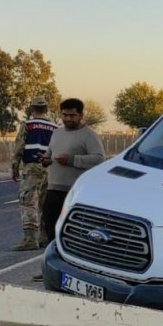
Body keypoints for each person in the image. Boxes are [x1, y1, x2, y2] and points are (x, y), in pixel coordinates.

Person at [40, 99, 106, 244]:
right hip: (53, 188)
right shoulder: (57, 133)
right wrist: (46, 159)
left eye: (72, 115)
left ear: (81, 115)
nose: (68, 119)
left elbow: (99, 159)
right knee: (51, 229)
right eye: (65, 115)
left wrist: (72, 160)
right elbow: (50, 153)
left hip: (75, 193)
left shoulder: (89, 135)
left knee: (73, 235)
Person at [9, 97, 58, 250]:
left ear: (32, 109)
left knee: (28, 201)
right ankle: (45, 237)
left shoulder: (28, 125)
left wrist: (14, 166)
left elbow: (19, 147)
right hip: (50, 169)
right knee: (45, 204)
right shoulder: (55, 127)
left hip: (32, 167)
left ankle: (30, 239)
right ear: (46, 109)